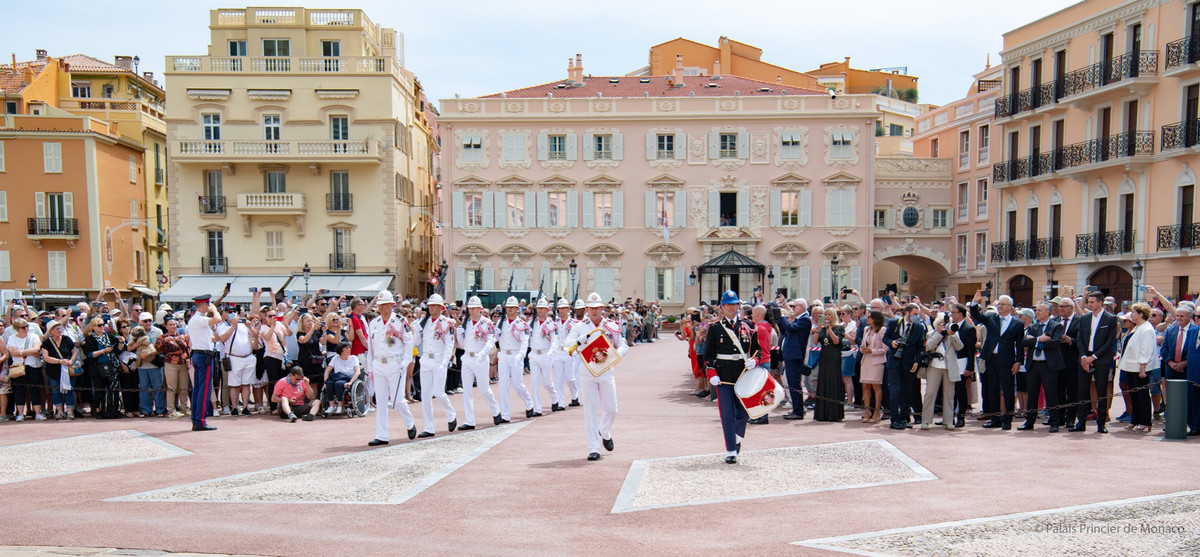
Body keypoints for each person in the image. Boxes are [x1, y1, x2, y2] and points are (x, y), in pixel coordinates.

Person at [564, 292, 629, 462]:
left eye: (596, 308)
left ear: (602, 308)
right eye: (590, 308)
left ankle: (605, 431)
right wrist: (581, 339)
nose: (593, 311)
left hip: (606, 370)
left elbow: (623, 344)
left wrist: (615, 355)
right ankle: (593, 448)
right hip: (587, 372)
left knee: (612, 408)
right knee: (590, 410)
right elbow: (566, 345)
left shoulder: (611, 325)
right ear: (586, 309)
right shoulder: (579, 326)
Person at [365, 291, 418, 446]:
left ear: (392, 305)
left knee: (396, 399)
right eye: (379, 305)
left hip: (395, 363)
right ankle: (382, 435)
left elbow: (409, 342)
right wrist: (370, 367)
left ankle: (409, 423)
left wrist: (405, 362)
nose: (381, 308)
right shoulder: (374, 323)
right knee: (380, 400)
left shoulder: (400, 321)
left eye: (384, 305)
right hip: (379, 364)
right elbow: (371, 346)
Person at [970, 291, 1023, 430]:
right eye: (998, 304)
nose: (999, 306)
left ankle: (1007, 420)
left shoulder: (1017, 323)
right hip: (991, 358)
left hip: (1007, 361)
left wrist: (1018, 361)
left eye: (1003, 304)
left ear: (1010, 307)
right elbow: (976, 315)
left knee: (1007, 390)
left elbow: (1020, 344)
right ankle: (995, 419)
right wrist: (975, 302)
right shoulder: (991, 317)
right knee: (992, 389)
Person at [1071, 291, 1119, 434]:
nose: (1089, 304)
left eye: (1092, 302)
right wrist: (1084, 357)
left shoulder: (1110, 319)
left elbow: (1110, 342)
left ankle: (1101, 423)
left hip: (1101, 360)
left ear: (1100, 303)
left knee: (1102, 391)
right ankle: (1081, 422)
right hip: (1085, 358)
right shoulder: (1085, 318)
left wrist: (1094, 357)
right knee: (1082, 391)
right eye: (1088, 302)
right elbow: (1080, 339)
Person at [412, 294, 457, 436]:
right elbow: (416, 342)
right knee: (425, 395)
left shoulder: (447, 322)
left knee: (438, 393)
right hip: (425, 360)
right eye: (430, 305)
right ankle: (429, 427)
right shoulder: (423, 322)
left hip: (439, 361)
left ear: (440, 307)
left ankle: (451, 414)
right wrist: (418, 330)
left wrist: (445, 362)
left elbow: (449, 344)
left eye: (434, 305)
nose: (431, 308)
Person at [456, 296, 502, 430]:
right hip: (467, 359)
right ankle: (469, 420)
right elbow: (464, 344)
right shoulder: (466, 322)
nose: (472, 311)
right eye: (470, 308)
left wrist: (482, 355)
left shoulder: (487, 323)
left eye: (474, 308)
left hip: (480, 359)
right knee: (467, 391)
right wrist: (459, 335)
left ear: (480, 309)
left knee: (484, 389)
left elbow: (490, 341)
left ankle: (495, 409)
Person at [1018, 302, 1064, 432]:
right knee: (1032, 394)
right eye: (1036, 310)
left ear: (1048, 312)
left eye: (1039, 310)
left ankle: (1054, 422)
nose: (1036, 312)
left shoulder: (1056, 325)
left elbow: (1054, 343)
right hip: (1034, 365)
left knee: (1051, 394)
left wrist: (1035, 341)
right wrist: (1039, 340)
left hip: (1048, 365)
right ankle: (1029, 421)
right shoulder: (1033, 327)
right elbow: (1024, 342)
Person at [883, 303, 926, 430]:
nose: (916, 317)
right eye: (914, 314)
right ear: (907, 313)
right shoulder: (894, 323)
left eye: (917, 315)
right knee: (895, 391)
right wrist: (892, 343)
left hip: (909, 363)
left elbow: (921, 347)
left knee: (907, 392)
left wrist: (917, 361)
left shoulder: (919, 327)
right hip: (894, 362)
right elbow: (885, 338)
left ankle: (904, 418)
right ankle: (894, 419)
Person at [921, 310, 964, 430]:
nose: (944, 326)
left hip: (949, 367)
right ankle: (926, 420)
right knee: (930, 392)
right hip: (935, 366)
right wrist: (939, 333)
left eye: (945, 324)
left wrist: (953, 334)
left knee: (949, 394)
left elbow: (960, 347)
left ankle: (948, 420)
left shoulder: (953, 335)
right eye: (941, 324)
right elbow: (929, 346)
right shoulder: (931, 333)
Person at [1118, 303, 1158, 433]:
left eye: (1134, 312)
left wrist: (1142, 368)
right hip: (1131, 366)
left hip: (1139, 368)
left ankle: (1145, 421)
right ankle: (1135, 419)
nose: (1132, 314)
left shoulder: (1146, 329)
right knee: (1134, 395)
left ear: (1141, 314)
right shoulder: (1137, 328)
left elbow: (1145, 350)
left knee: (1142, 395)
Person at [187, 293, 224, 431]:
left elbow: (211, 339)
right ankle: (200, 420)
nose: (209, 306)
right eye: (208, 304)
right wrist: (214, 310)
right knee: (204, 390)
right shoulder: (198, 319)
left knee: (199, 389)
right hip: (203, 357)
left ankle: (197, 419)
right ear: (204, 304)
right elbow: (218, 319)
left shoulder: (197, 319)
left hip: (200, 355)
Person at [496, 296, 535, 421]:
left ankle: (528, 402)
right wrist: (495, 333)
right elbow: (495, 338)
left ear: (517, 309)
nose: (510, 310)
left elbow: (524, 341)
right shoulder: (500, 322)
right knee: (503, 385)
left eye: (513, 307)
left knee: (517, 385)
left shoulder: (521, 324)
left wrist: (521, 355)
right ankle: (505, 414)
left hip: (516, 355)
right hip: (503, 355)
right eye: (508, 307)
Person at [216, 308, 256, 417]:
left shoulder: (243, 324)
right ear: (224, 314)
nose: (232, 314)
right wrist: (233, 326)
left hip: (247, 356)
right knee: (234, 385)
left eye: (234, 312)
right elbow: (223, 338)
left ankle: (245, 407)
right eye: (229, 312)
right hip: (234, 358)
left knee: (246, 384)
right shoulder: (222, 327)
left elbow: (255, 335)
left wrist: (250, 326)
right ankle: (234, 407)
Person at [527, 298, 563, 416]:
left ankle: (555, 398)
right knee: (534, 382)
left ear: (547, 310)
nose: (540, 310)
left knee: (547, 383)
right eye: (538, 308)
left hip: (546, 355)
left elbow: (554, 340)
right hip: (533, 355)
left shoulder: (551, 325)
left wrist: (550, 352)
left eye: (542, 308)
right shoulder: (532, 323)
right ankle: (537, 408)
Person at [779, 298, 813, 421]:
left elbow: (791, 328)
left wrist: (783, 317)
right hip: (791, 355)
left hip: (796, 355)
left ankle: (798, 410)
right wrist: (779, 320)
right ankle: (796, 409)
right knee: (791, 382)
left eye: (795, 306)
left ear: (802, 307)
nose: (792, 309)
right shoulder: (799, 319)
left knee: (794, 383)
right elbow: (785, 330)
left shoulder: (805, 319)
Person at [42, 321, 80, 420]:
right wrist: (59, 361)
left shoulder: (67, 339)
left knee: (70, 390)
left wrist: (71, 360)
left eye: (60, 328)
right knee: (55, 390)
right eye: (57, 329)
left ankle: (70, 411)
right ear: (51, 331)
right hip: (54, 370)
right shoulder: (47, 343)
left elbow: (74, 351)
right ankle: (59, 411)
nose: (59, 331)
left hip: (68, 369)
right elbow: (45, 357)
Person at [814, 307, 847, 422]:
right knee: (823, 380)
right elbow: (815, 341)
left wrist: (829, 329)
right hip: (824, 356)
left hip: (834, 356)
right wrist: (819, 329)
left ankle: (834, 413)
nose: (827, 317)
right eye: (825, 315)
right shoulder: (822, 329)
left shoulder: (840, 328)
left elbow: (837, 341)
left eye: (829, 315)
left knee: (833, 380)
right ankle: (822, 413)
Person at [155, 318, 191, 418]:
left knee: (183, 387)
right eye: (170, 325)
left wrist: (188, 359)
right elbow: (158, 348)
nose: (173, 326)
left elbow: (186, 349)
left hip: (182, 362)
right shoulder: (163, 337)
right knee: (171, 387)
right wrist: (164, 341)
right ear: (166, 326)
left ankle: (185, 408)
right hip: (170, 363)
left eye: (174, 324)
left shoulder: (181, 336)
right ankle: (171, 410)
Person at [552, 299, 581, 407]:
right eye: (560, 308)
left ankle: (575, 396)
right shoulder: (555, 322)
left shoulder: (574, 323)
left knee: (570, 378)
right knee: (558, 379)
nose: (562, 310)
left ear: (568, 309)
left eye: (564, 308)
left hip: (569, 352)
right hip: (558, 352)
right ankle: (560, 403)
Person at [859, 310, 887, 423]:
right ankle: (867, 411)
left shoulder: (882, 330)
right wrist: (863, 349)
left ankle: (876, 411)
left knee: (876, 387)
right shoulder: (866, 329)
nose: (867, 318)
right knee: (865, 386)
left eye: (870, 317)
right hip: (866, 360)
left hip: (876, 361)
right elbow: (863, 343)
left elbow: (885, 349)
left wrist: (872, 350)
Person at [322, 341, 361, 415]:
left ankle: (339, 406)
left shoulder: (354, 358)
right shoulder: (335, 358)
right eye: (347, 348)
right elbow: (327, 371)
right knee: (329, 384)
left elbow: (357, 372)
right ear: (341, 350)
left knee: (338, 384)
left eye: (349, 347)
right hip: (337, 377)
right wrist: (325, 382)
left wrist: (350, 382)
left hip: (348, 378)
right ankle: (331, 406)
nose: (349, 349)